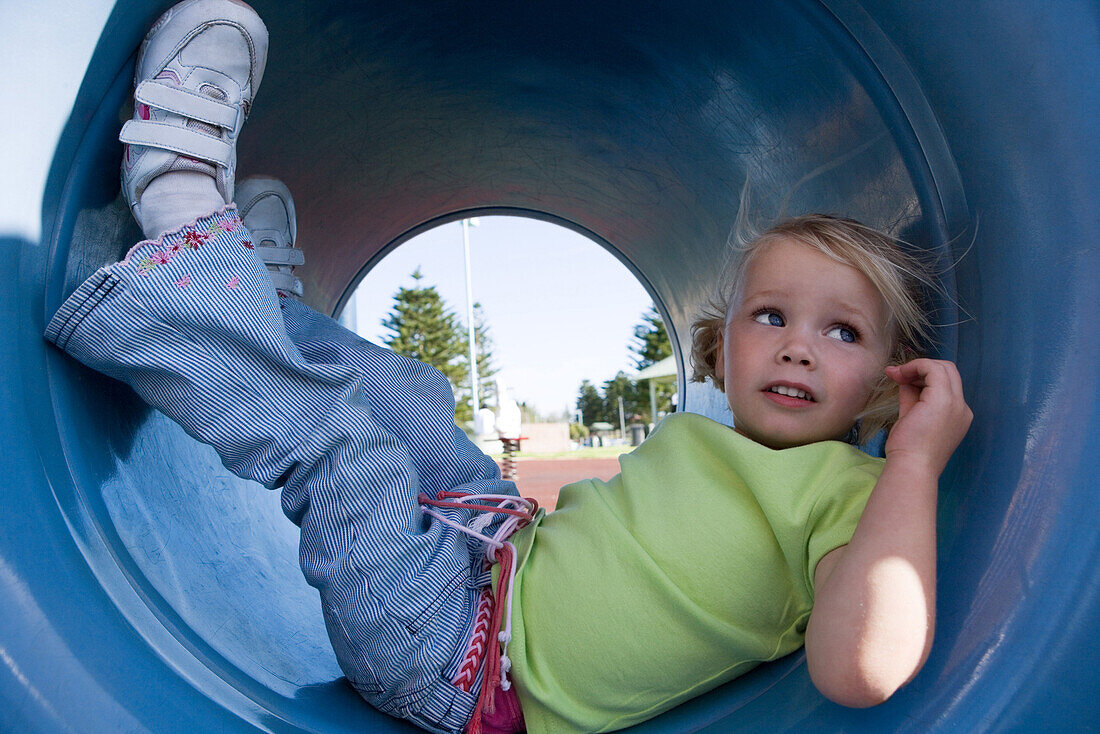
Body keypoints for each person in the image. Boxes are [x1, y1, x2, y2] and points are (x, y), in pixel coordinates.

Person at [44, 2, 972, 733]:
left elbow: (862, 669)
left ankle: (181, 228)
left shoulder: (851, 495)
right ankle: (263, 311)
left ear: (895, 376)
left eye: (845, 333)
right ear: (720, 350)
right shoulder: (725, 438)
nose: (801, 343)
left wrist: (916, 463)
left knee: (346, 451)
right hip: (494, 549)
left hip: (456, 663)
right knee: (404, 399)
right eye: (771, 316)